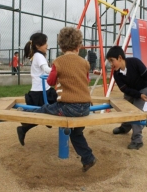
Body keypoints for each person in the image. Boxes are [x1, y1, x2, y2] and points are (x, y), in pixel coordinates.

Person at [19, 27, 96, 172]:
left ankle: (24, 124)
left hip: (68, 107)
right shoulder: (85, 63)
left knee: (44, 109)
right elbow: (86, 80)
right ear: (78, 46)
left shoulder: (58, 62)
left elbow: (50, 81)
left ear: (61, 46)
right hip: (85, 107)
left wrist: (60, 79)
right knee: (76, 133)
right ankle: (88, 158)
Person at [100, 46, 147, 150]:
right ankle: (125, 127)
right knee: (125, 109)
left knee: (135, 113)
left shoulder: (135, 62)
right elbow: (124, 89)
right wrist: (137, 95)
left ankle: (137, 140)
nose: (111, 64)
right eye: (109, 61)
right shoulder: (116, 74)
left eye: (112, 60)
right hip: (130, 92)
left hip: (142, 90)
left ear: (120, 58)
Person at [16, 33, 57, 146]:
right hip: (40, 92)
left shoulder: (39, 55)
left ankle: (25, 128)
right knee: (46, 113)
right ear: (38, 46)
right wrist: (59, 69)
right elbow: (46, 69)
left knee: (49, 111)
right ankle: (23, 128)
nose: (47, 45)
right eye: (45, 43)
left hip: (44, 90)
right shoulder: (39, 56)